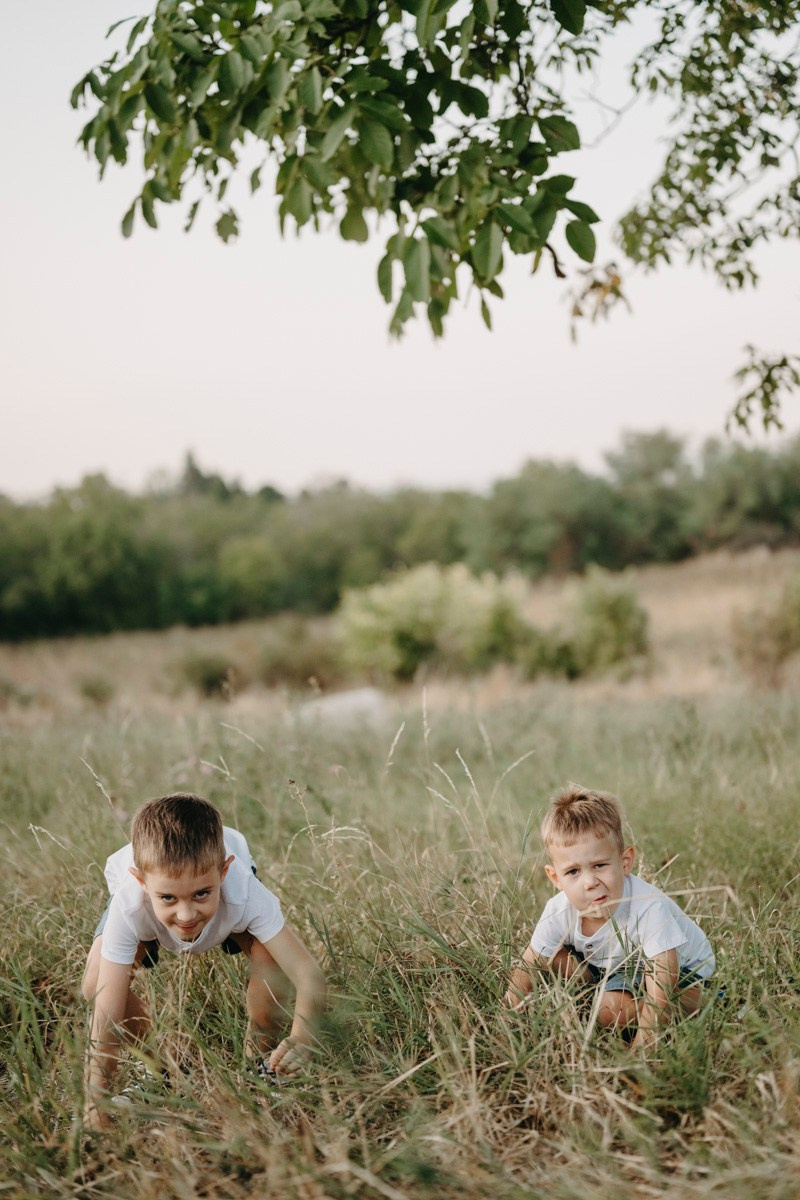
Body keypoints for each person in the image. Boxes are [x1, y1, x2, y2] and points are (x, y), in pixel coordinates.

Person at [82, 793, 326, 1128]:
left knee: (272, 960)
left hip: (228, 903)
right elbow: (106, 1015)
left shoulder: (243, 890)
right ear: (141, 882)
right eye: (168, 898)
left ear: (224, 872)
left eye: (201, 894)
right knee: (96, 985)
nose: (186, 914)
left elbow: (308, 976)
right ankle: (164, 1066)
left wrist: (302, 1038)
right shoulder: (131, 903)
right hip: (145, 910)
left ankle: (262, 1060)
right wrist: (97, 1104)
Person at [504, 784, 715, 1048]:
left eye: (599, 865)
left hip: (679, 968)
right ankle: (597, 986)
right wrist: (508, 1019)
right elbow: (529, 964)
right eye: (573, 872)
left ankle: (700, 1002)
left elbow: (662, 969)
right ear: (555, 877)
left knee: (609, 1012)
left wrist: (643, 1045)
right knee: (551, 955)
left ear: (625, 862)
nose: (590, 882)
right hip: (617, 964)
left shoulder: (647, 907)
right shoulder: (559, 910)